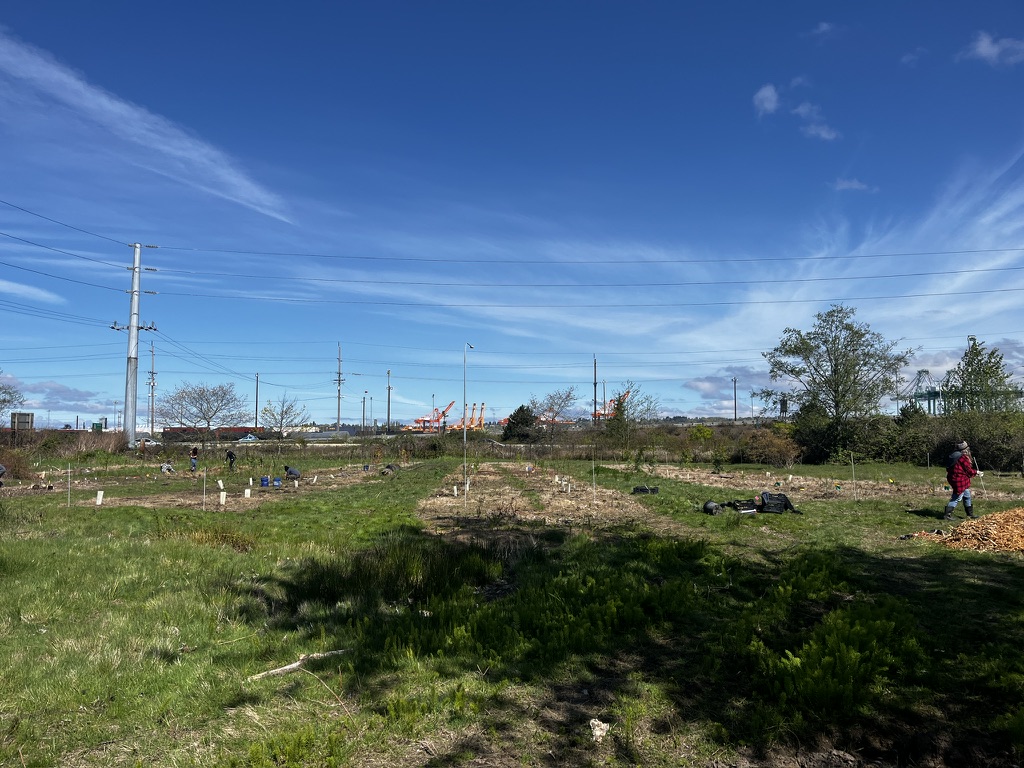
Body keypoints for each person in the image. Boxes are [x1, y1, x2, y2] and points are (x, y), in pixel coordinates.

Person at [943, 440, 981, 520]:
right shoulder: (962, 457)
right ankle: (947, 515)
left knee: (967, 496)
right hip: (960, 480)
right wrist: (977, 472)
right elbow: (968, 470)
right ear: (964, 449)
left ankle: (970, 514)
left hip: (954, 478)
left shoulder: (953, 455)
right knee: (956, 497)